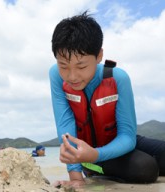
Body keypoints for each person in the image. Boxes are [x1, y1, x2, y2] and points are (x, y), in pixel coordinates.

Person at [49, 11, 165, 188]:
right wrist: (76, 176)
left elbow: (127, 136)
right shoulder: (56, 76)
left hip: (116, 143)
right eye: (63, 66)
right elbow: (65, 129)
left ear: (99, 56)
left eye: (81, 66)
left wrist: (97, 153)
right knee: (145, 168)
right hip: (85, 154)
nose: (72, 76)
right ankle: (95, 169)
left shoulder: (118, 79)